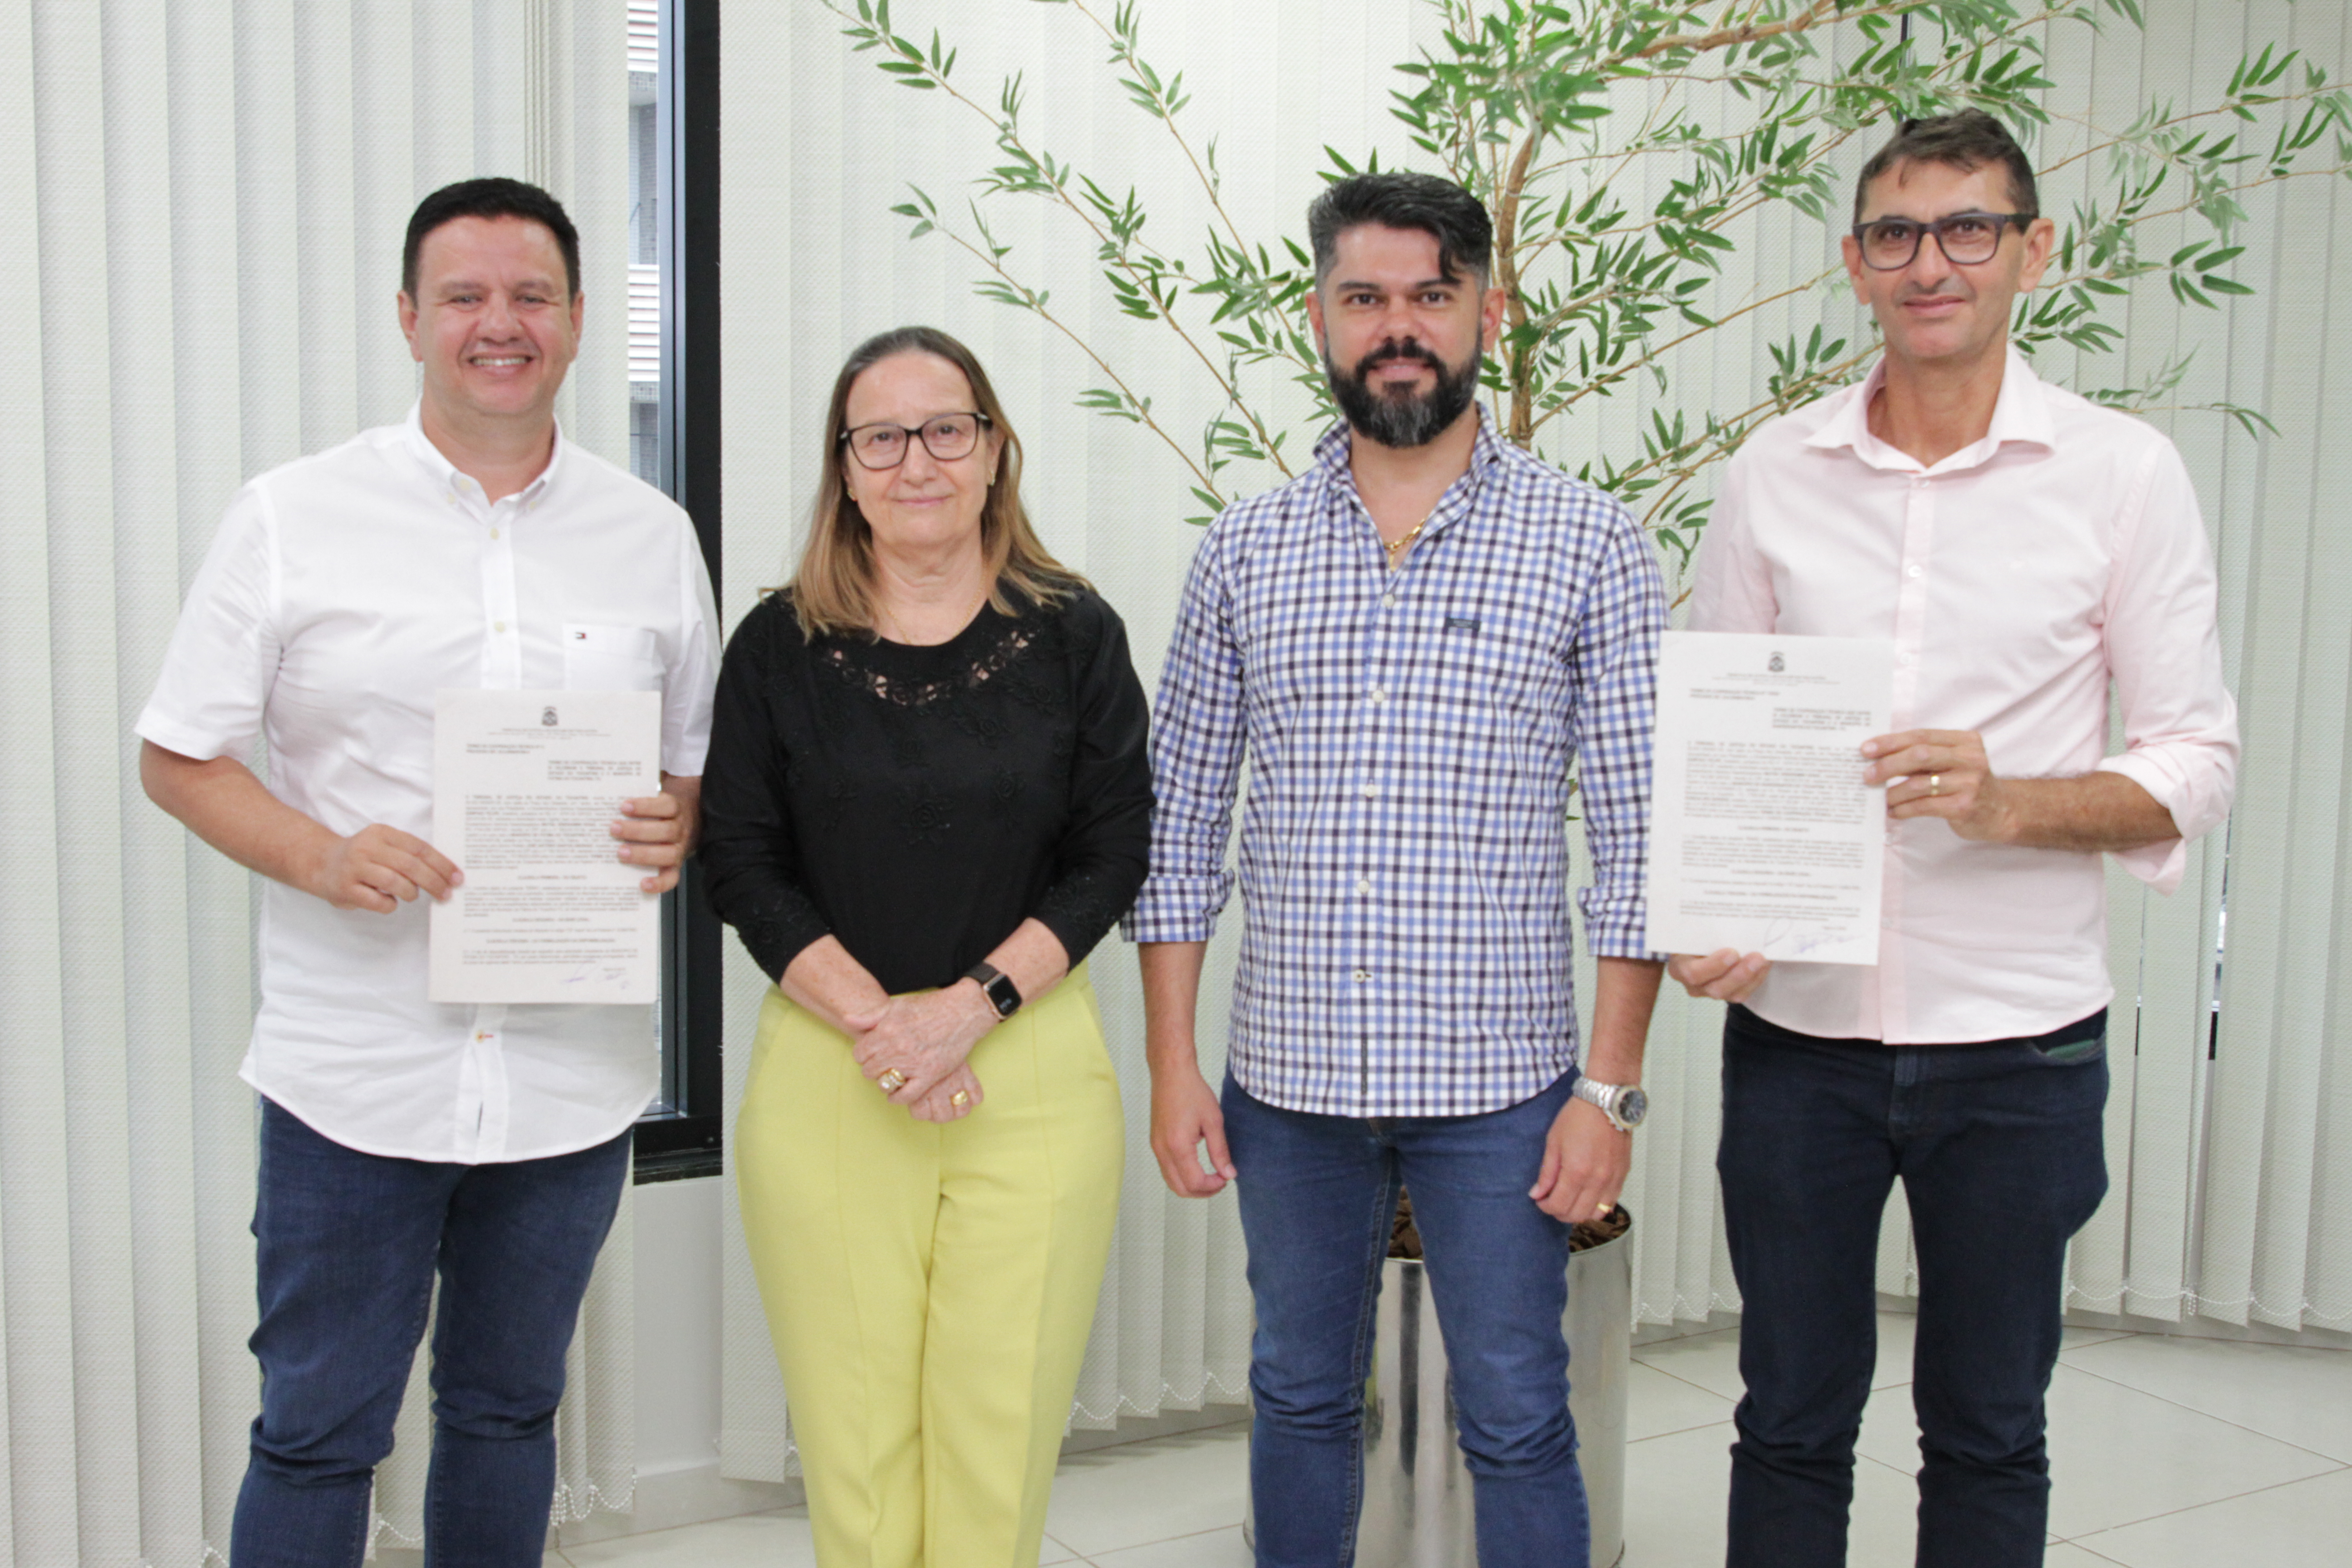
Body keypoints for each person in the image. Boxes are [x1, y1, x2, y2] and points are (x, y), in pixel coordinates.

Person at [1675, 110, 2240, 1568]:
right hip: (1798, 1039)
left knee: (1990, 1429)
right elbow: (1724, 737)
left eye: (1969, 228)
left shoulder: (2122, 476)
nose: (1933, 263)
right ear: (1857, 267)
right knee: (1788, 1416)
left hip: (2021, 1049)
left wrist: (2009, 804)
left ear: (2031, 250)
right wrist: (1709, 903)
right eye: (1896, 235)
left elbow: (2196, 758)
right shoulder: (1772, 474)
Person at [136, 177, 718, 1566]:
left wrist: (672, 828)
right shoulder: (292, 515)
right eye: (464, 296)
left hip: (567, 1081)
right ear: (411, 318)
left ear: (579, 321)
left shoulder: (652, 535)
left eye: (531, 297)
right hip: (355, 1075)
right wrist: (322, 853)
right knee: (318, 1432)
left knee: (511, 1415)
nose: (498, 323)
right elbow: (180, 754)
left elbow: (685, 766)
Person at [1127, 172, 1670, 1568]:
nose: (1399, 327)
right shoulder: (1244, 552)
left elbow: (1639, 842)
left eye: (1431, 295)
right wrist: (1175, 1065)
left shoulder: (1593, 544)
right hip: (1290, 1086)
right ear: (1319, 318)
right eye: (1365, 298)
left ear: (1491, 309)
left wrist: (1606, 1094)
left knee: (1518, 1415)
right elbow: (1177, 828)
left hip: (1502, 1090)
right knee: (1299, 1398)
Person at [700, 325, 1153, 1568]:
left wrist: (965, 1010)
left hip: (1033, 1066)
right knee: (856, 1448)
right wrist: (884, 1024)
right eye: (881, 436)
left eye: (947, 428)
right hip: (826, 1073)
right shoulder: (776, 649)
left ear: (996, 449)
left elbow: (1113, 853)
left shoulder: (1076, 637)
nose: (918, 461)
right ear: (844, 469)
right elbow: (739, 863)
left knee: (995, 1437)